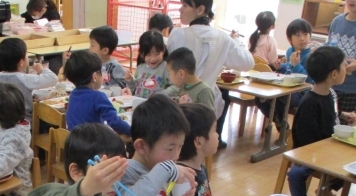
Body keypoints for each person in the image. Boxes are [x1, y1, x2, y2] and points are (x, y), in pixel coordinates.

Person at [167, 0, 253, 149]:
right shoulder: (224, 38)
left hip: (179, 106)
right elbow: (248, 63)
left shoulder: (177, 34)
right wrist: (237, 40)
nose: (180, 9)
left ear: (200, 9)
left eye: (185, 6)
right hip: (208, 109)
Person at [288, 46, 356, 196]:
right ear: (334, 74)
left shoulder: (330, 93)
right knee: (295, 174)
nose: (345, 69)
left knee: (354, 164)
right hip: (311, 153)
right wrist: (327, 149)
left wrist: (344, 115)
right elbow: (304, 139)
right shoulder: (310, 102)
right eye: (343, 66)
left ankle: (328, 187)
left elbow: (330, 113)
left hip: (331, 147)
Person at [175, 104, 233, 196]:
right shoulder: (183, 177)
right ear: (199, 142)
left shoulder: (201, 168)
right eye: (215, 130)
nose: (218, 136)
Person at [255, 19, 313, 129]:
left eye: (305, 34)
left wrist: (296, 65)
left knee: (282, 98)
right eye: (297, 35)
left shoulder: (311, 55)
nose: (302, 38)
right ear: (289, 38)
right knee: (259, 98)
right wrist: (281, 67)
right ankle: (278, 120)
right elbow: (289, 72)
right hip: (288, 88)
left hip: (302, 93)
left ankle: (280, 123)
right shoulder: (290, 51)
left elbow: (309, 80)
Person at [64, 50, 131, 136]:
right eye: (102, 70)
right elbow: (115, 122)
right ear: (95, 77)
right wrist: (133, 132)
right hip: (93, 145)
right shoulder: (98, 97)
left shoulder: (73, 94)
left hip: (75, 143)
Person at [0, 37, 58, 122]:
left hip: (6, 121)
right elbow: (53, 79)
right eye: (26, 54)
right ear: (21, 62)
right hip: (26, 122)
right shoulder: (25, 79)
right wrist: (42, 70)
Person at [125, 29, 170, 99]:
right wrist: (130, 81)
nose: (153, 59)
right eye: (148, 55)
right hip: (139, 104)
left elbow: (175, 87)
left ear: (163, 51)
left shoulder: (166, 67)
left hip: (156, 105)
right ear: (142, 54)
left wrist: (162, 94)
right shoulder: (140, 68)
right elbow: (135, 89)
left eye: (157, 54)